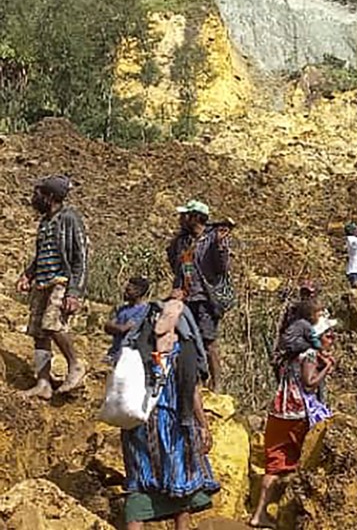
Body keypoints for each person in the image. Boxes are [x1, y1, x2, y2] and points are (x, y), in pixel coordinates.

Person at [120, 295, 219, 529]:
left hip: (138, 426)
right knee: (180, 491)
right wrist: (203, 425)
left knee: (139, 485)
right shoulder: (182, 351)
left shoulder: (138, 347)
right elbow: (192, 390)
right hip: (174, 427)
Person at [250, 302, 337, 528]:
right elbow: (309, 384)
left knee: (274, 464)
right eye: (328, 335)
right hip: (299, 414)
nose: (332, 339)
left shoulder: (288, 354)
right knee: (306, 460)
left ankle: (259, 514)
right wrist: (326, 368)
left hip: (278, 411)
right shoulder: (308, 355)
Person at [16, 175, 88, 399]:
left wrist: (75, 292)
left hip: (61, 281)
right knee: (38, 332)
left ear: (50, 196)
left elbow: (81, 257)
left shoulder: (69, 218)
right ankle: (44, 382)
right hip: (43, 281)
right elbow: (41, 255)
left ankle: (75, 365)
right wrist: (28, 274)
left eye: (38, 194)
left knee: (52, 324)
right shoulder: (45, 221)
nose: (34, 197)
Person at [166, 199, 232, 392]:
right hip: (184, 297)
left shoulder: (213, 239)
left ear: (195, 217)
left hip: (205, 298)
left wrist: (220, 247)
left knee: (208, 340)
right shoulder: (181, 241)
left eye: (185, 215)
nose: (181, 219)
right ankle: (194, 380)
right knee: (186, 339)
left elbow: (222, 268)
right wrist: (179, 285)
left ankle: (217, 384)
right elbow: (173, 262)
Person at [104, 277, 152, 365]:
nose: (125, 293)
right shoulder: (122, 309)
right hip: (115, 353)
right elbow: (107, 327)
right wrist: (116, 327)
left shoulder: (144, 310)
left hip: (128, 355)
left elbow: (124, 329)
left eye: (128, 290)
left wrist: (115, 327)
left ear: (139, 292)